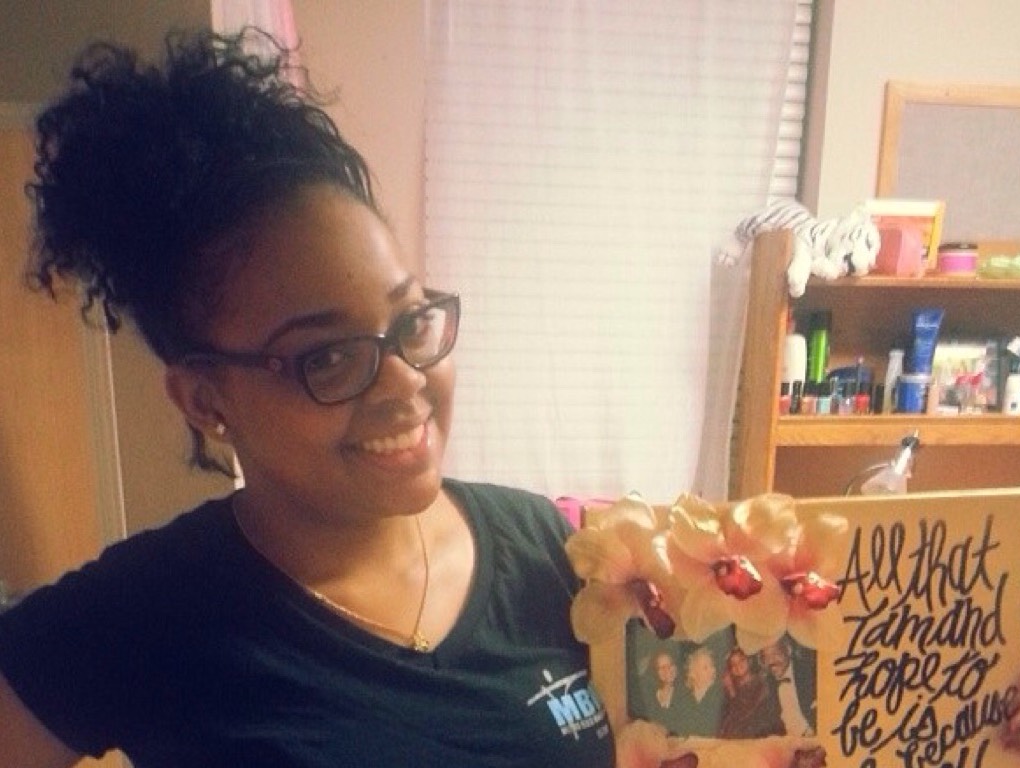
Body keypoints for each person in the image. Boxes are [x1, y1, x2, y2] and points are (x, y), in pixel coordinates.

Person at [0, 28, 614, 768]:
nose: (404, 380)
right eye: (326, 356)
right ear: (204, 399)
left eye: (410, 321)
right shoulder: (147, 612)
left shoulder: (542, 544)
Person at [718, 647, 784, 739]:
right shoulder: (729, 690)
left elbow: (745, 713)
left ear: (749, 661)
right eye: (733, 664)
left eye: (741, 660)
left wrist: (731, 691)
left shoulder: (761, 683)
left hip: (760, 735)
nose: (738, 666)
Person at [759, 637, 815, 737]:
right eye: (766, 657)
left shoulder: (809, 671)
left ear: (788, 650)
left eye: (775, 654)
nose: (771, 661)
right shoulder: (768, 682)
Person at [677, 645, 725, 738]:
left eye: (712, 665)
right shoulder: (683, 700)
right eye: (705, 667)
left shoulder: (719, 696)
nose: (713, 670)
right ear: (692, 673)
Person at [642, 649, 688, 734]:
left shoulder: (685, 693)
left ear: (676, 667)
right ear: (655, 672)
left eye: (670, 665)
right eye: (662, 667)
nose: (667, 670)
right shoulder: (650, 695)